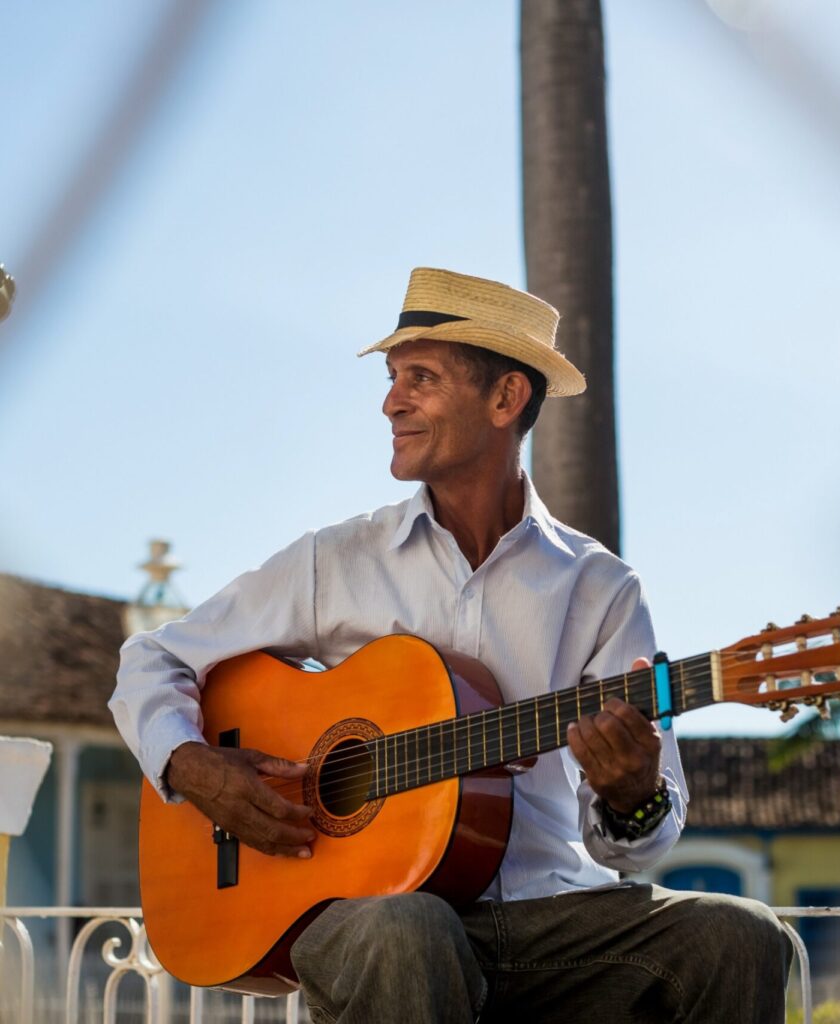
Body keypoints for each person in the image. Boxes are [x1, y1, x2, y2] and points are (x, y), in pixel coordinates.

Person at [111, 268, 792, 1023]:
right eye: (395, 377)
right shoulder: (336, 560)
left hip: (550, 923)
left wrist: (634, 796)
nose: (391, 401)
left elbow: (633, 848)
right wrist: (195, 767)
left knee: (742, 935)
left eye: (422, 378)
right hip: (371, 918)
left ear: (505, 399)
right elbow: (151, 658)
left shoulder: (601, 589)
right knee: (411, 926)